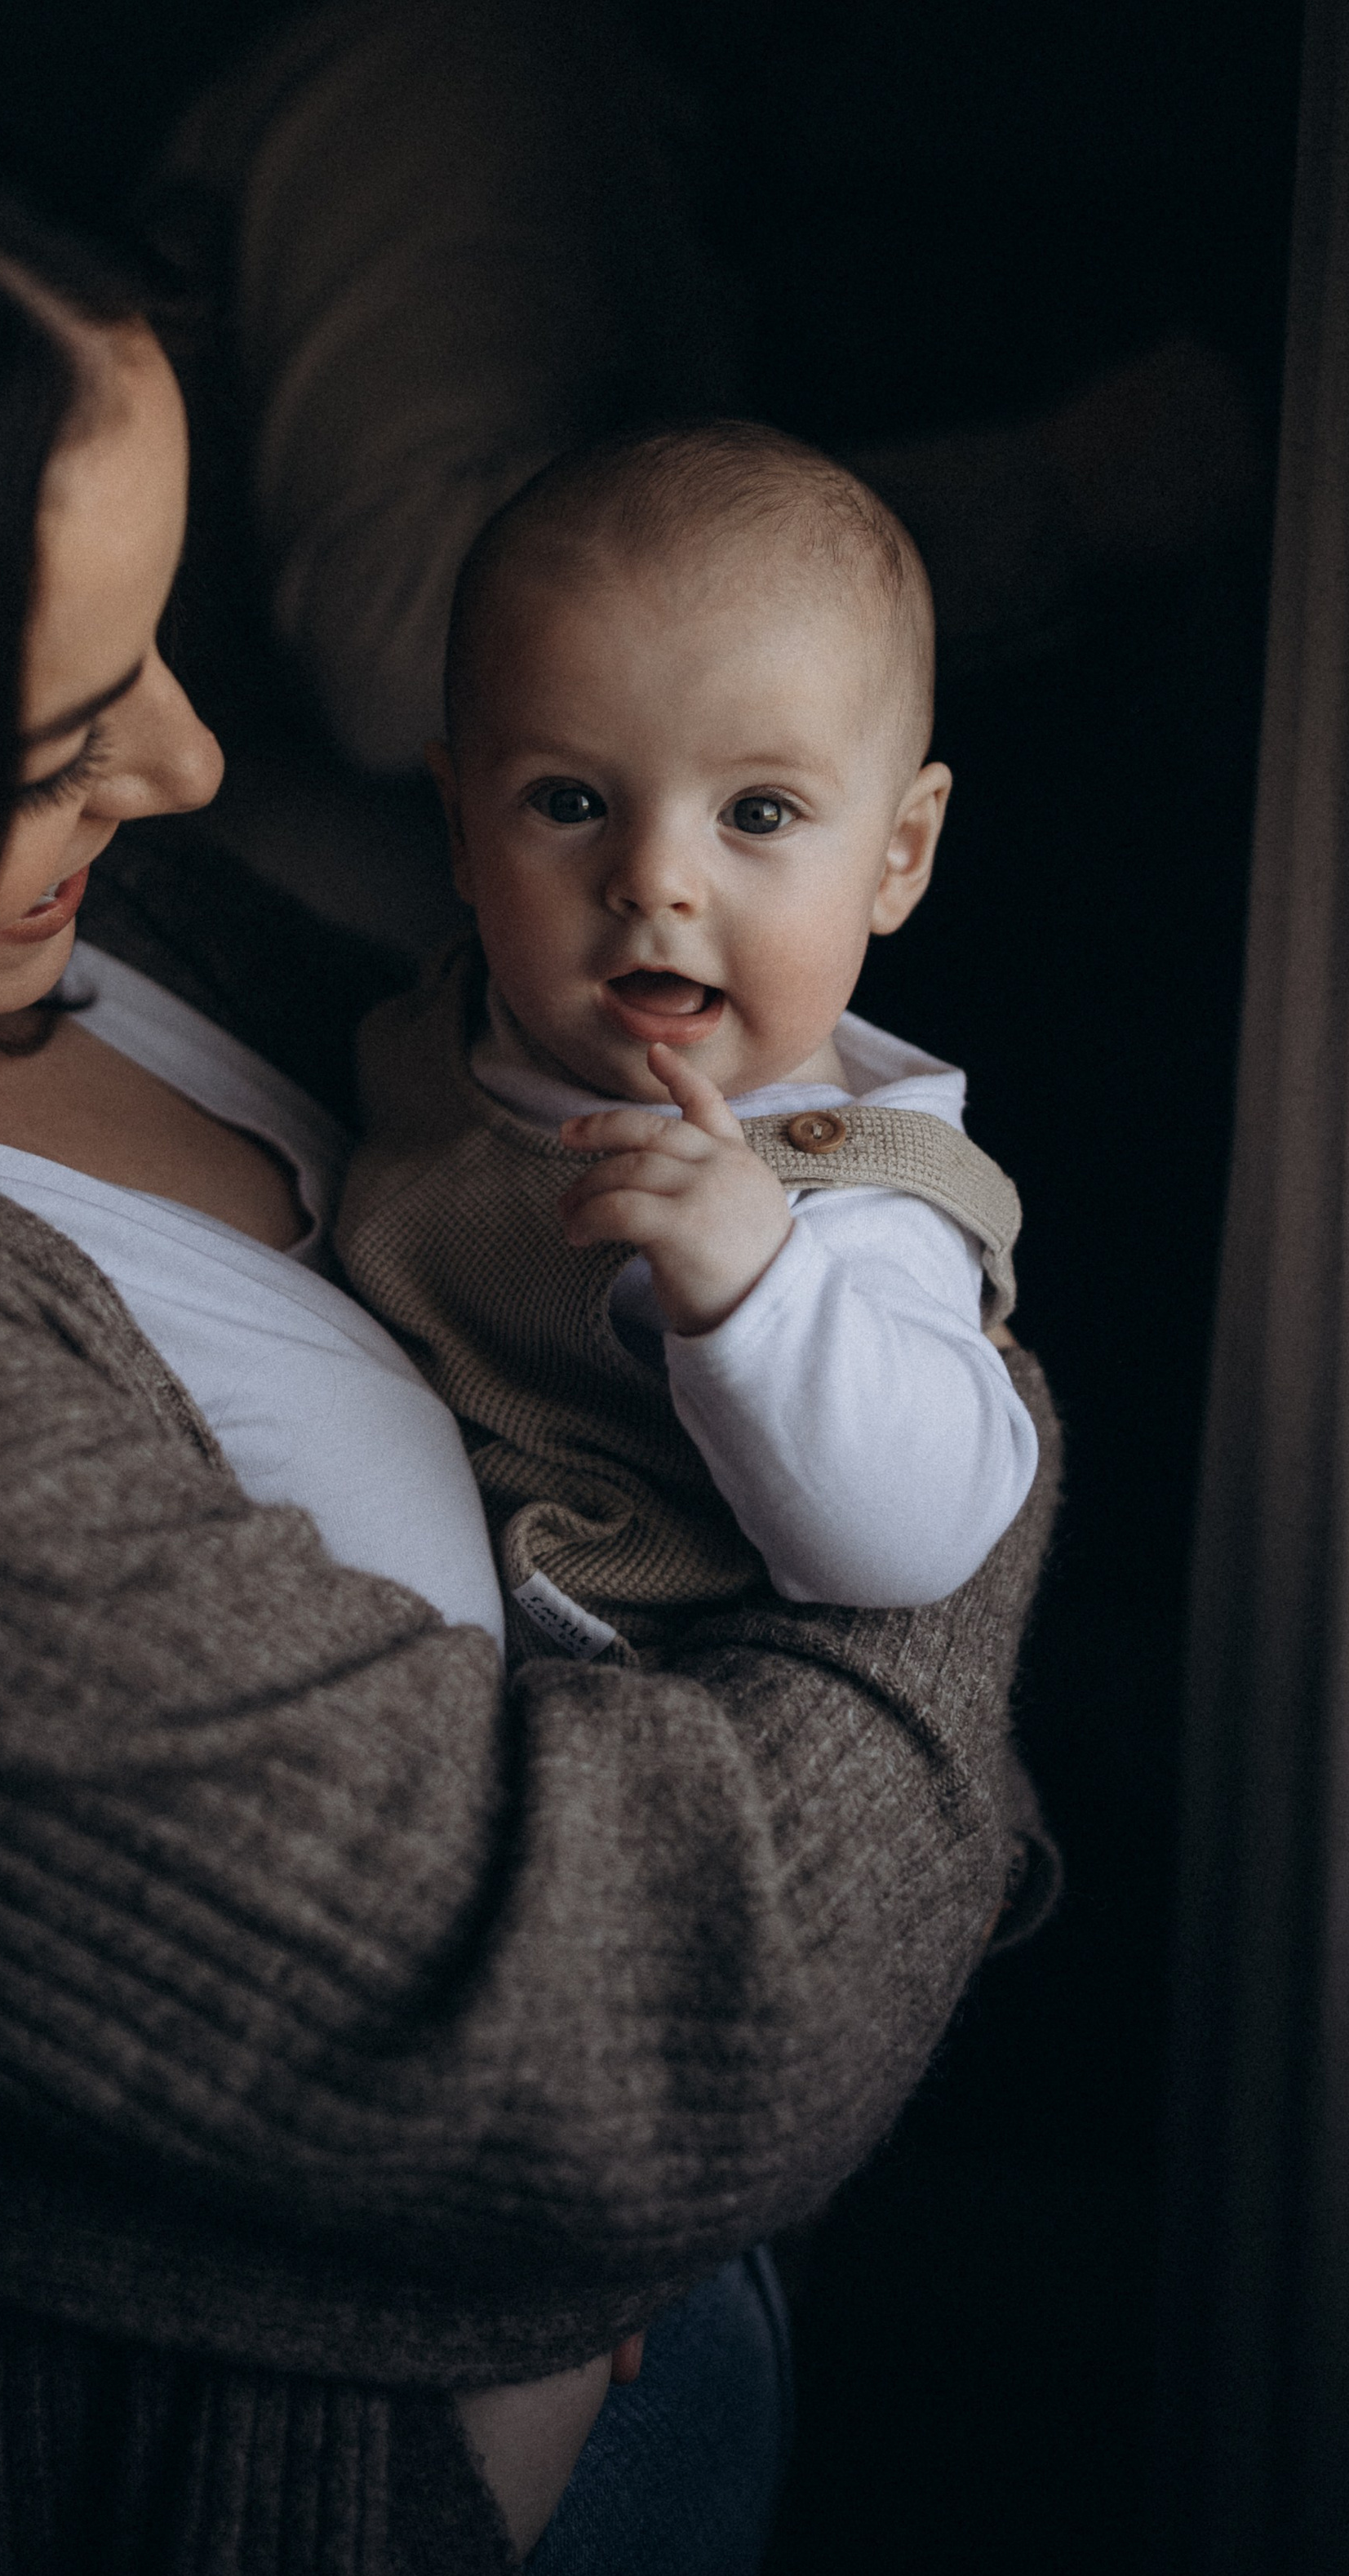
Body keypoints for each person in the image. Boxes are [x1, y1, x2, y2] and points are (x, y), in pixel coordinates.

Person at [0, 7, 1058, 2576]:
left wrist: (854, 1301)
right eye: (68, 727)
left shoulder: (88, 926)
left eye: (156, 649)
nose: (190, 766)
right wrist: (923, 1389)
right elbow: (632, 2041)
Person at [148, 0, 1265, 953]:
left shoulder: (584, 109)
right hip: (294, 968)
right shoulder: (473, 67)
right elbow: (397, 649)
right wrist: (1051, 495)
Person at [339, 421, 1039, 1664]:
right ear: (460, 827)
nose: (655, 879)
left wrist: (759, 1290)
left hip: (644, 1674)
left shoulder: (858, 1206)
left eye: (757, 812)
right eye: (571, 803)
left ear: (899, 854)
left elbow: (917, 1544)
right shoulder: (452, 1017)